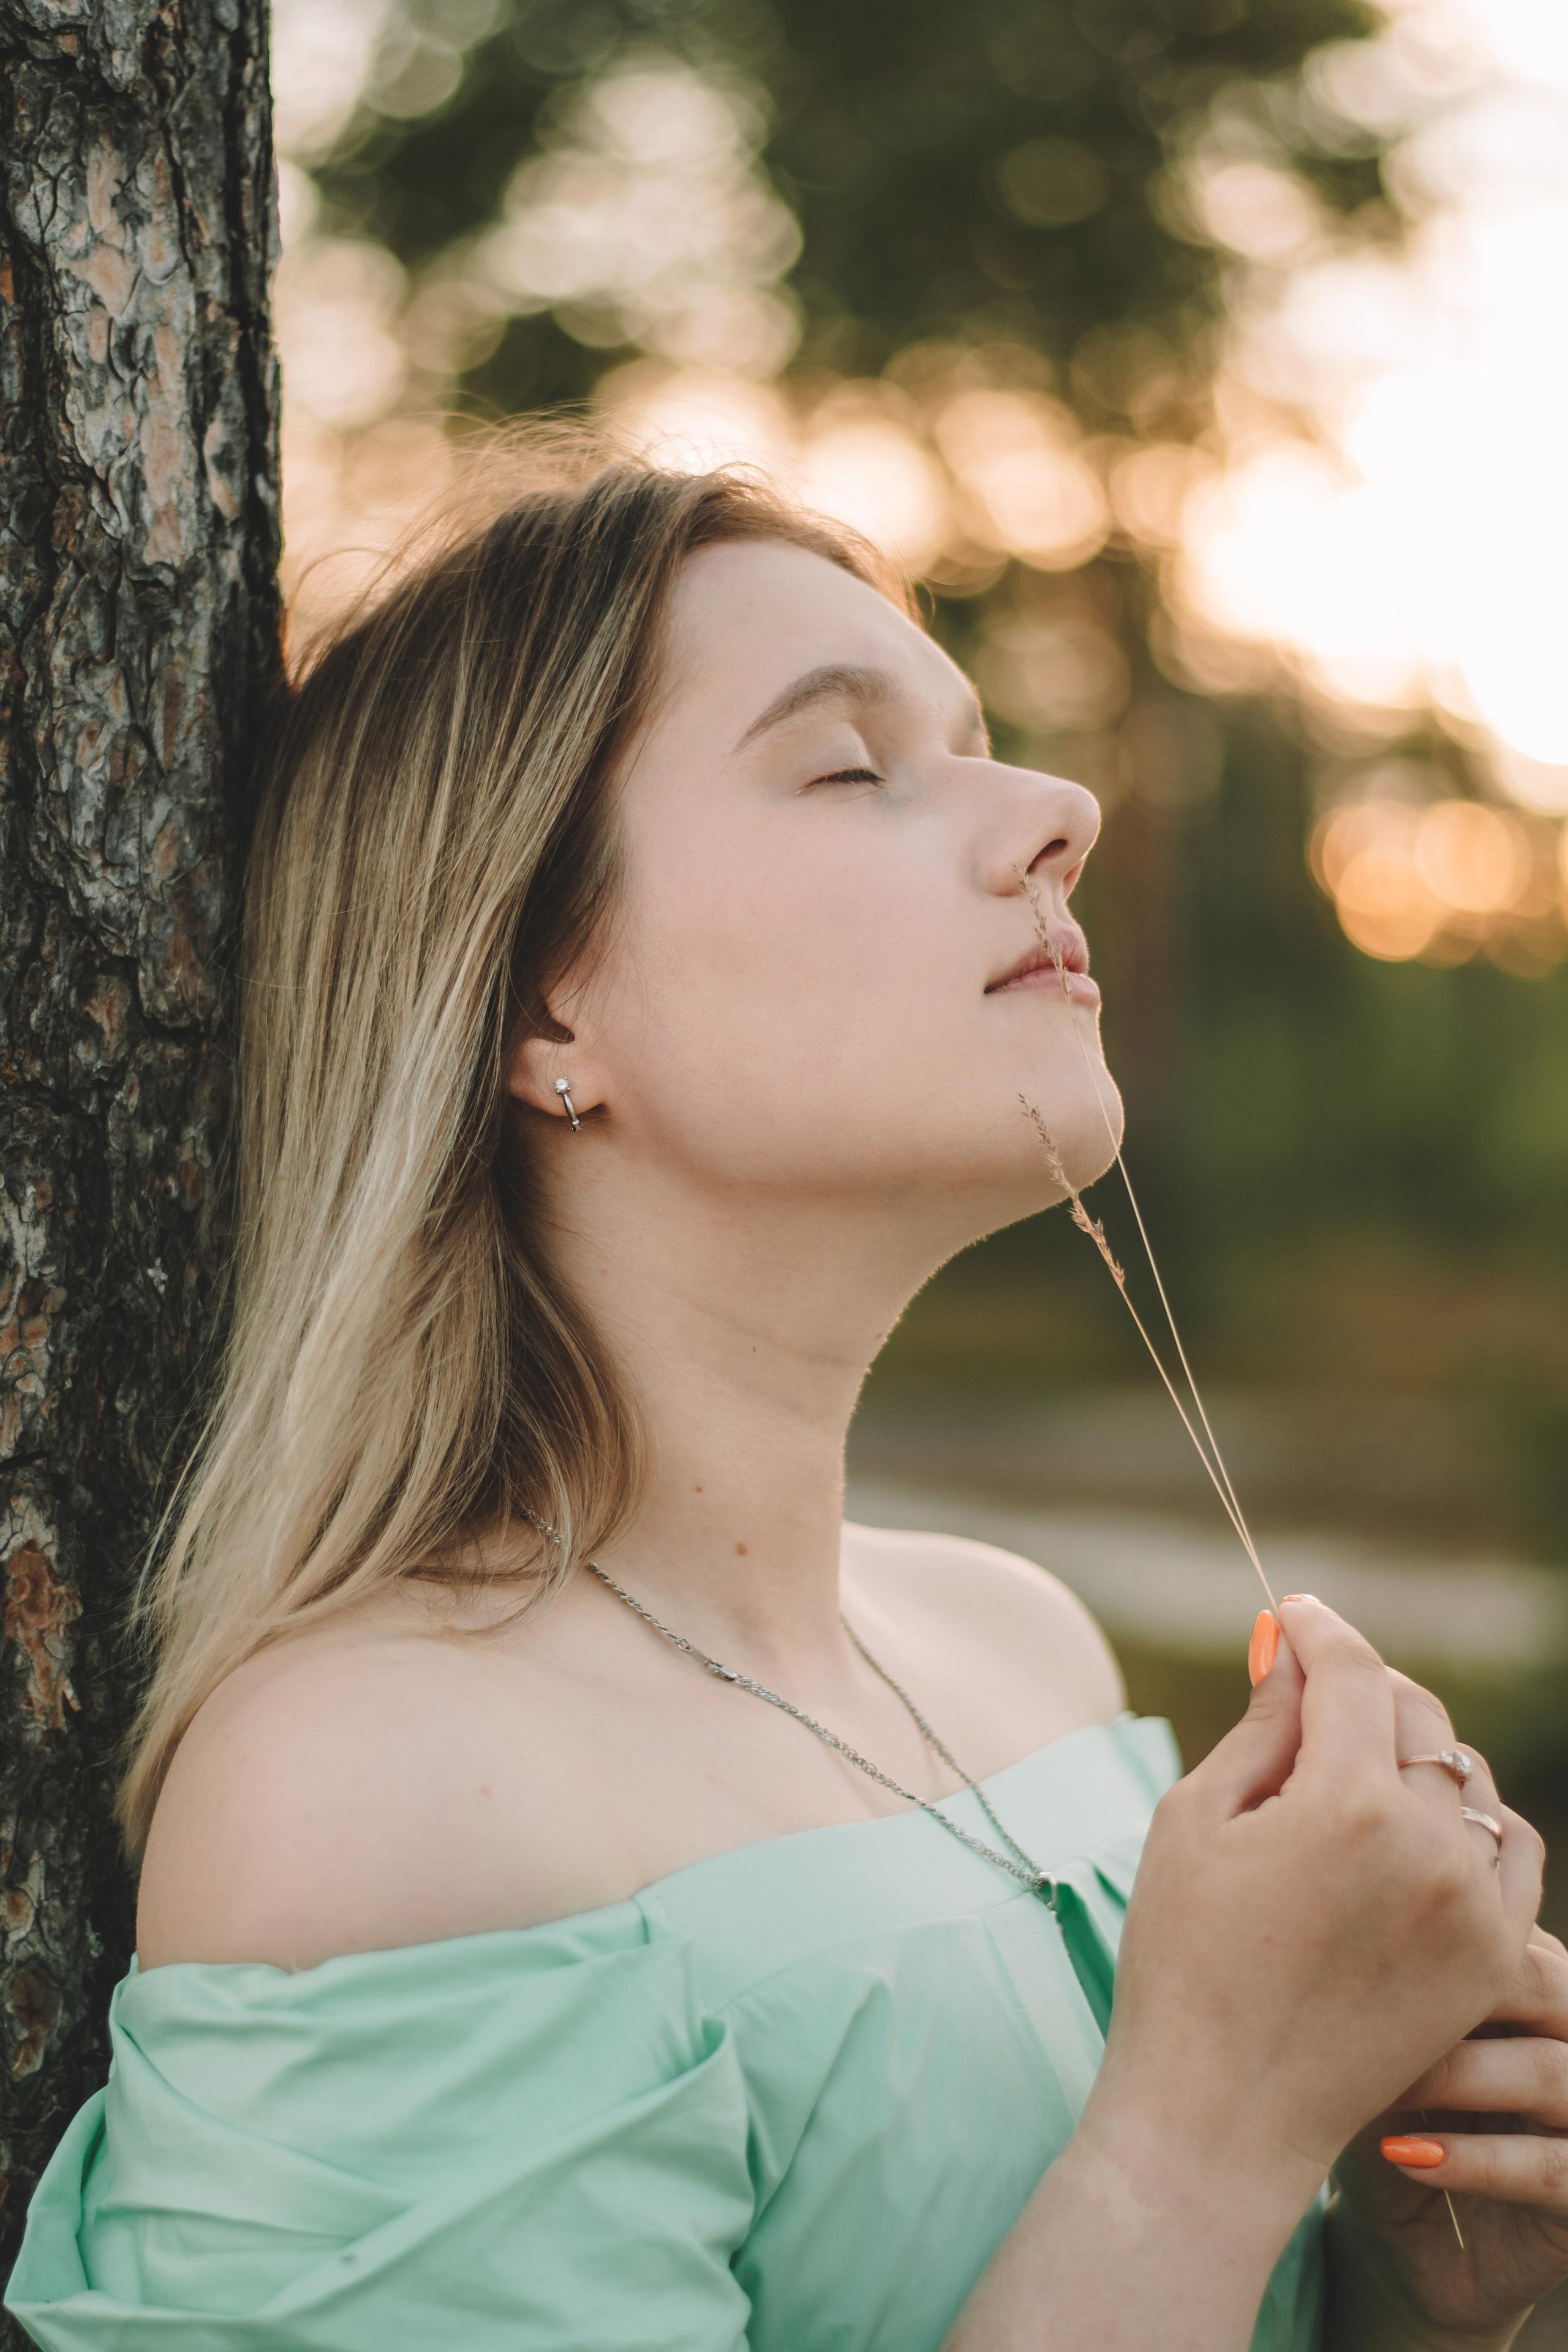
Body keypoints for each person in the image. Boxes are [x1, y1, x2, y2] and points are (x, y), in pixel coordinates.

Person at [9, 450, 1568, 2352]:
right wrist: (1212, 2137)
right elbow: (1164, 2192)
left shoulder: (1026, 1653)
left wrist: (1408, 2295)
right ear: (540, 1007)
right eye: (850, 767)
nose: (1064, 810)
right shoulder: (382, 1795)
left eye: (990, 743)